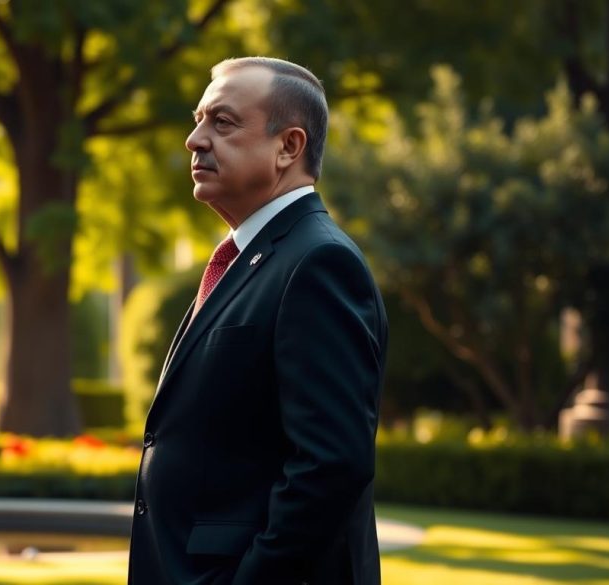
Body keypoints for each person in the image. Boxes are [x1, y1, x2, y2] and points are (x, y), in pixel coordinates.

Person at [127, 57, 388, 585]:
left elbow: (330, 467)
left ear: (288, 147)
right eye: (199, 120)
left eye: (222, 123)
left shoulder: (318, 264)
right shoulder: (252, 257)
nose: (194, 140)